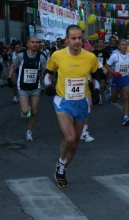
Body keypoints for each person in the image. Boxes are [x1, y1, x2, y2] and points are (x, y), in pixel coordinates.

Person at [43, 25, 100, 188]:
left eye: (79, 38)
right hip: (63, 101)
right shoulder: (58, 55)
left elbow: (96, 74)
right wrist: (47, 86)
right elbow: (48, 72)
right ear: (66, 39)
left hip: (82, 102)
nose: (77, 41)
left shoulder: (90, 57)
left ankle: (61, 168)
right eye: (73, 38)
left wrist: (96, 90)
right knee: (70, 138)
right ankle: (61, 163)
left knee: (74, 144)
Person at [7, 36, 46, 141]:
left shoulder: (41, 57)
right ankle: (24, 110)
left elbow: (44, 71)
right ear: (28, 43)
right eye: (33, 42)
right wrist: (9, 78)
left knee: (34, 111)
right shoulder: (21, 56)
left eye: (37, 42)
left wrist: (45, 83)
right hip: (23, 87)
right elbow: (13, 66)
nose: (35, 44)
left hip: (35, 87)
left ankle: (29, 131)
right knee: (25, 112)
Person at [104, 39, 129, 126]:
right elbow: (107, 66)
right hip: (116, 79)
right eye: (122, 45)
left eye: (126, 44)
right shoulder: (115, 56)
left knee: (126, 97)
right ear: (118, 46)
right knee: (114, 100)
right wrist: (113, 72)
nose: (125, 46)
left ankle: (126, 116)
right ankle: (110, 95)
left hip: (125, 78)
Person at [92, 38, 110, 105]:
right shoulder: (93, 53)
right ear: (97, 43)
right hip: (95, 71)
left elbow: (109, 62)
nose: (101, 44)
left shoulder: (105, 52)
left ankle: (99, 95)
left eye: (102, 42)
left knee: (101, 86)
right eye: (99, 42)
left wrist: (108, 71)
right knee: (97, 85)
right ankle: (99, 98)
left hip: (103, 70)